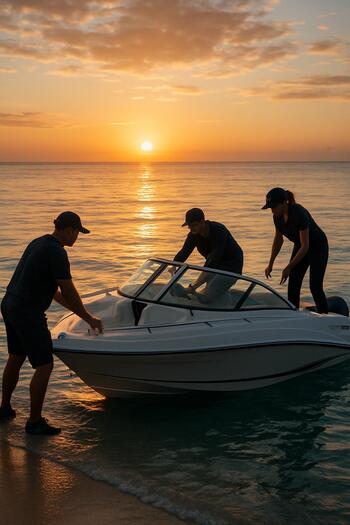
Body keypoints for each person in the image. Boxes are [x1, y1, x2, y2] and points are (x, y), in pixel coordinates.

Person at [0, 212, 103, 435]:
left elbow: (54, 291)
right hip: (27, 311)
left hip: (10, 304)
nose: (77, 237)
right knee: (44, 366)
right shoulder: (57, 252)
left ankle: (4, 408)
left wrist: (78, 312)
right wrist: (88, 318)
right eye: (77, 233)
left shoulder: (38, 242)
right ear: (69, 230)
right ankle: (34, 422)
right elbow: (68, 290)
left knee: (16, 357)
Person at [262, 187, 329, 313]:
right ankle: (293, 315)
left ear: (284, 203)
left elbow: (306, 246)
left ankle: (325, 316)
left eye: (274, 207)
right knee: (293, 284)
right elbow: (278, 240)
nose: (272, 210)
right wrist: (270, 264)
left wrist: (288, 267)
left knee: (315, 286)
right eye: (270, 208)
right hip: (301, 246)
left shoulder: (299, 213)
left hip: (318, 247)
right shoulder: (277, 217)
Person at [173, 208, 243, 302]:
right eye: (189, 226)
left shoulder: (218, 230)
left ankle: (193, 292)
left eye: (194, 225)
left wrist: (192, 288)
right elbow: (184, 253)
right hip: (214, 266)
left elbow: (213, 260)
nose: (191, 228)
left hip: (231, 266)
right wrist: (174, 266)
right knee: (207, 291)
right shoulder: (193, 235)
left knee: (206, 298)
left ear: (202, 222)